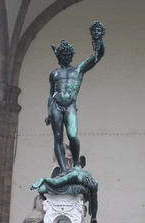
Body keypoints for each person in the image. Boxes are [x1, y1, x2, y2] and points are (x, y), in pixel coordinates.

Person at [45, 22, 105, 174]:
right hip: (56, 106)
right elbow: (51, 94)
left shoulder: (79, 69)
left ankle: (76, 163)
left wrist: (99, 40)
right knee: (58, 137)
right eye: (62, 55)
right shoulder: (54, 74)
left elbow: (98, 56)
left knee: (72, 135)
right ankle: (63, 169)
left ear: (71, 55)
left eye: (67, 54)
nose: (65, 57)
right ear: (58, 56)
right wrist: (48, 113)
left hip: (70, 105)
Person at [30, 166, 98, 223]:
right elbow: (56, 183)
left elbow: (94, 201)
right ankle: (43, 180)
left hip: (71, 187)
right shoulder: (75, 175)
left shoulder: (93, 183)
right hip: (62, 184)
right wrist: (44, 180)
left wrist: (94, 218)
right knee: (42, 189)